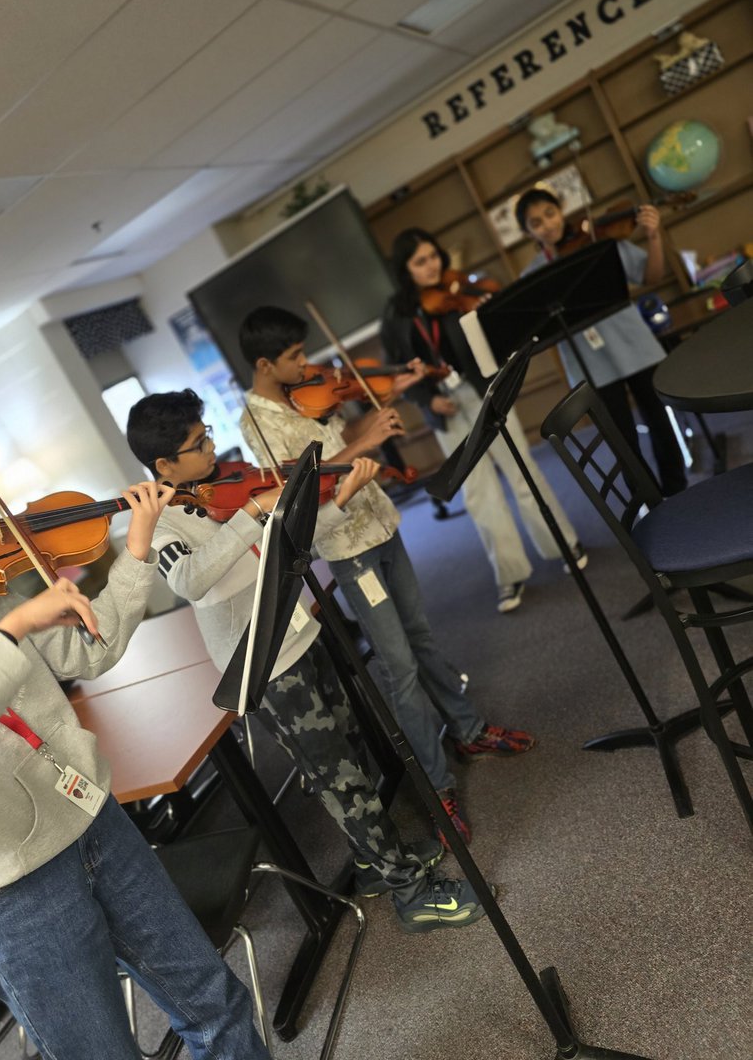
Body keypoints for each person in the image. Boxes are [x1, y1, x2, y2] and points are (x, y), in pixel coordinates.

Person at [0, 452, 271, 1060]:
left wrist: (137, 552)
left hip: (95, 823)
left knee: (214, 1001)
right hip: (12, 890)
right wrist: (5, 638)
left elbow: (88, 652)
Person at [125, 390, 490, 934]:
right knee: (339, 777)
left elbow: (292, 537)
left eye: (206, 434)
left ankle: (372, 861)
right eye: (197, 443)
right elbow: (193, 582)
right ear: (164, 466)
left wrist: (340, 499)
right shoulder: (158, 524)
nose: (211, 447)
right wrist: (251, 515)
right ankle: (411, 894)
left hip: (302, 633)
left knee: (350, 756)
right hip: (265, 664)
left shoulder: (224, 482)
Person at [236, 306, 537, 844]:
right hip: (347, 546)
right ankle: (438, 786)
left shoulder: (303, 392)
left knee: (421, 636)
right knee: (398, 665)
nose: (307, 365)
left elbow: (337, 434)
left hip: (382, 524)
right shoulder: (256, 425)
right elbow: (302, 488)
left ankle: (467, 731)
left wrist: (376, 415)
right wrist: (362, 445)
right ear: (264, 363)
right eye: (294, 357)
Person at [382, 228, 587, 614]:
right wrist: (428, 399)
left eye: (434, 256)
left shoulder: (461, 290)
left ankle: (563, 542)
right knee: (478, 493)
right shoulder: (395, 315)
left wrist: (487, 310)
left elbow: (496, 338)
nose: (432, 266)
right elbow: (399, 372)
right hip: (447, 407)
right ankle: (509, 574)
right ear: (405, 270)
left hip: (486, 389)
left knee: (523, 470)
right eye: (420, 262)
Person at [513, 187, 687, 496]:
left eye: (550, 214)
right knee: (622, 441)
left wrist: (653, 235)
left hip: (635, 345)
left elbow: (652, 276)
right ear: (528, 233)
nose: (548, 225)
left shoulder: (599, 240)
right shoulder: (533, 275)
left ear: (561, 210)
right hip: (591, 364)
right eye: (536, 222)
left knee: (661, 423)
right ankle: (651, 502)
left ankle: (678, 490)